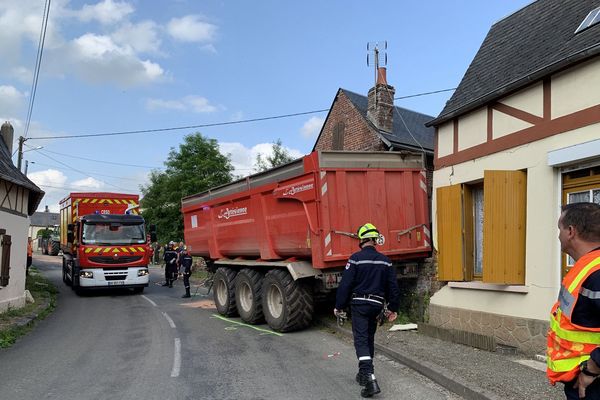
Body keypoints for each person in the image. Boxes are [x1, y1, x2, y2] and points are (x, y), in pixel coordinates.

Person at [334, 222, 400, 398]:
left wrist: (339, 306)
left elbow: (345, 285)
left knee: (361, 341)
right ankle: (363, 374)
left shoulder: (355, 259)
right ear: (375, 240)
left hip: (360, 306)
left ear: (362, 240)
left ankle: (370, 380)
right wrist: (393, 308)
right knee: (368, 339)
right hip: (377, 306)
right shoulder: (386, 261)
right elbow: (393, 287)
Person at [547, 202, 600, 400]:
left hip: (593, 383)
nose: (558, 235)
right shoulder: (588, 267)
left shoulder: (596, 272)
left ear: (570, 231)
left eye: (559, 229)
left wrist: (593, 368)